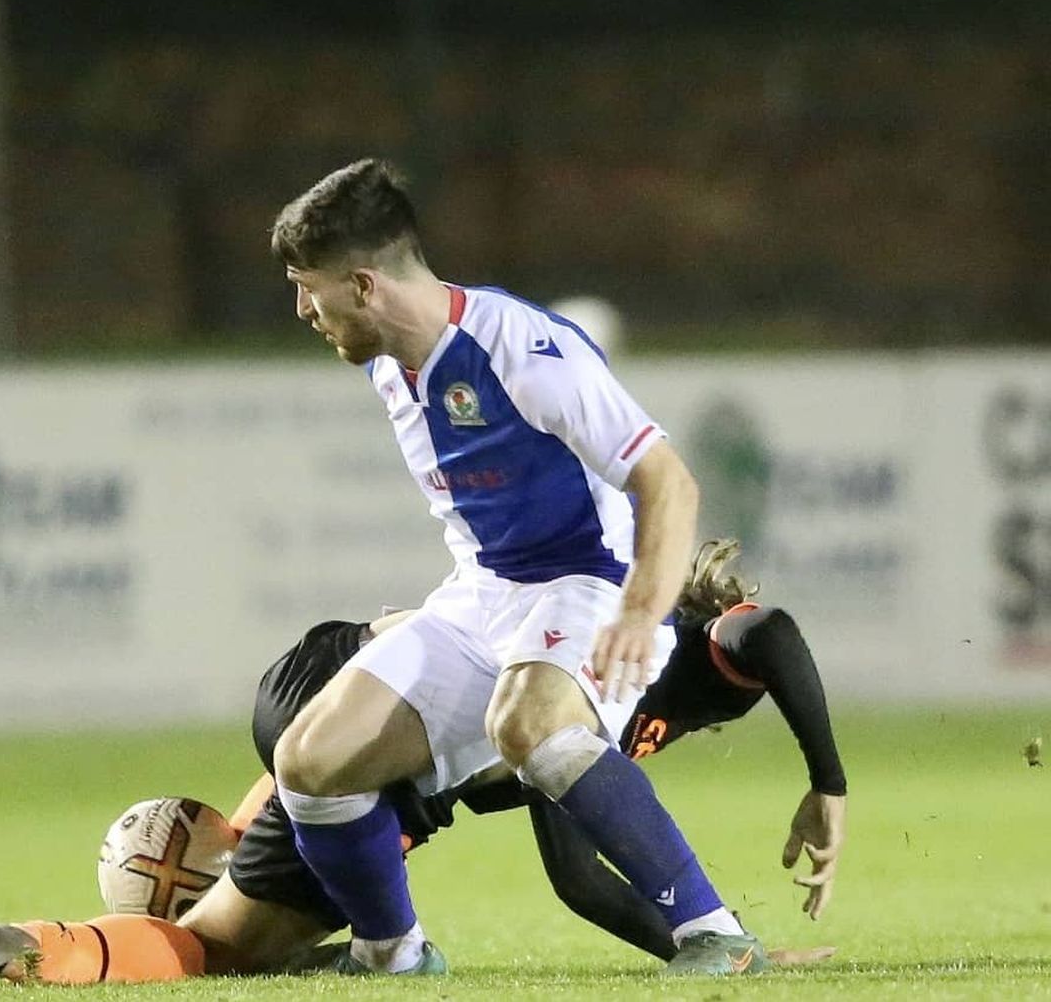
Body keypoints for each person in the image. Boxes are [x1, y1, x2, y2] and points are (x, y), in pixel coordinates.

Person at [0, 540, 846, 991]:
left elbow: (578, 879)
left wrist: (694, 946)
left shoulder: (567, 708)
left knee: (226, 942)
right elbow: (770, 630)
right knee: (221, 953)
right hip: (379, 716)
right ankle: (375, 947)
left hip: (344, 688)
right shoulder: (676, 648)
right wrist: (826, 782)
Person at [263, 158, 763, 976]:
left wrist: (642, 609)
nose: (300, 309)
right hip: (483, 593)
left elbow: (668, 478)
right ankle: (394, 955)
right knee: (310, 762)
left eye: (305, 286)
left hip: (587, 579)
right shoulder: (393, 361)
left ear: (361, 284)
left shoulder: (525, 353)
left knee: (529, 725)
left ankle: (714, 933)